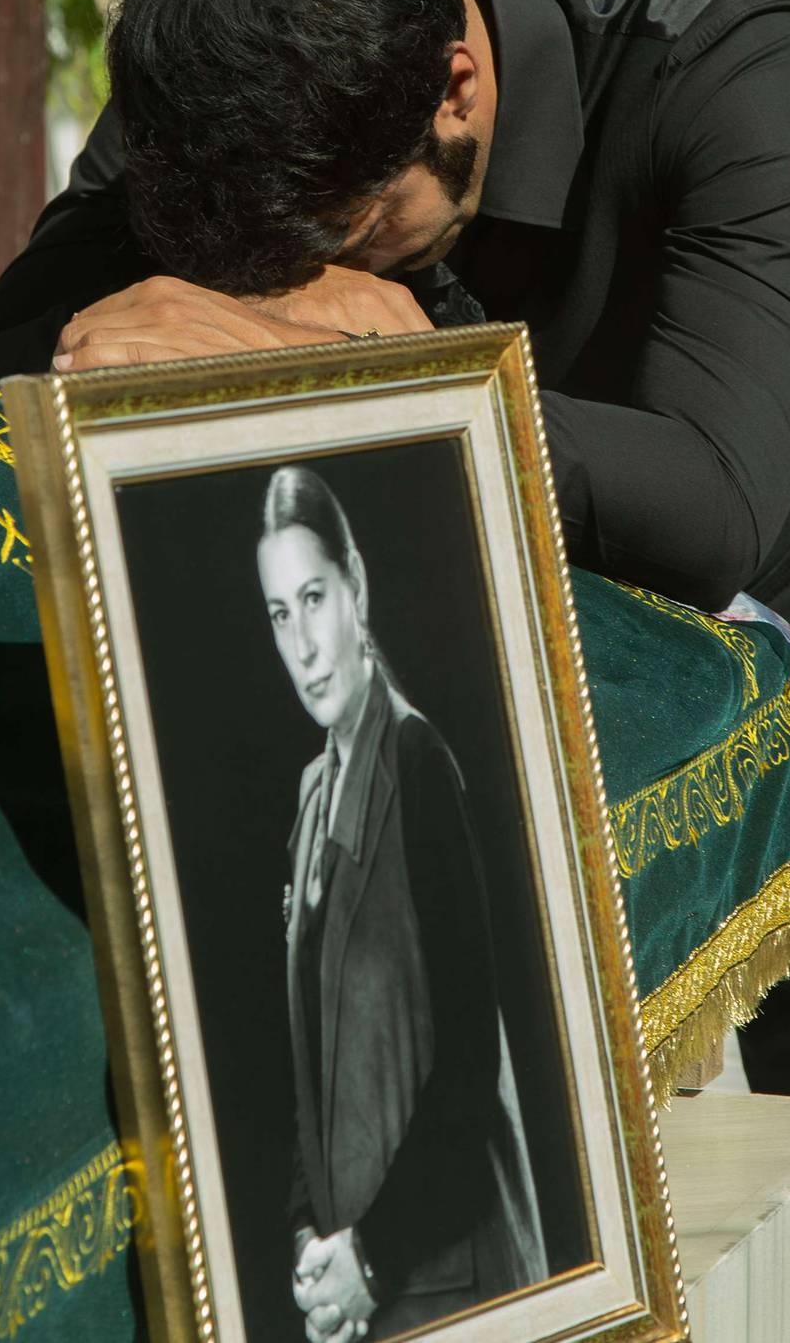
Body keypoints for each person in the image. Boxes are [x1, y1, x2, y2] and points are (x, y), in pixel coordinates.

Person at [0, 0, 790, 1343]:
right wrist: (178, 316)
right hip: (499, 670)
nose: (315, 274)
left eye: (350, 235)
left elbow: (708, 505)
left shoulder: (726, 47)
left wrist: (329, 344)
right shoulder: (241, 66)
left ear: (456, 85)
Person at [257, 465, 546, 1343]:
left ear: (355, 585)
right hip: (362, 1294)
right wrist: (310, 1241)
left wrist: (370, 1259)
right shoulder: (311, 798)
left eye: (313, 598)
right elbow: (310, 1073)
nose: (302, 644)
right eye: (279, 613)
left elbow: (468, 1069)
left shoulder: (417, 765)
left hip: (452, 1283)